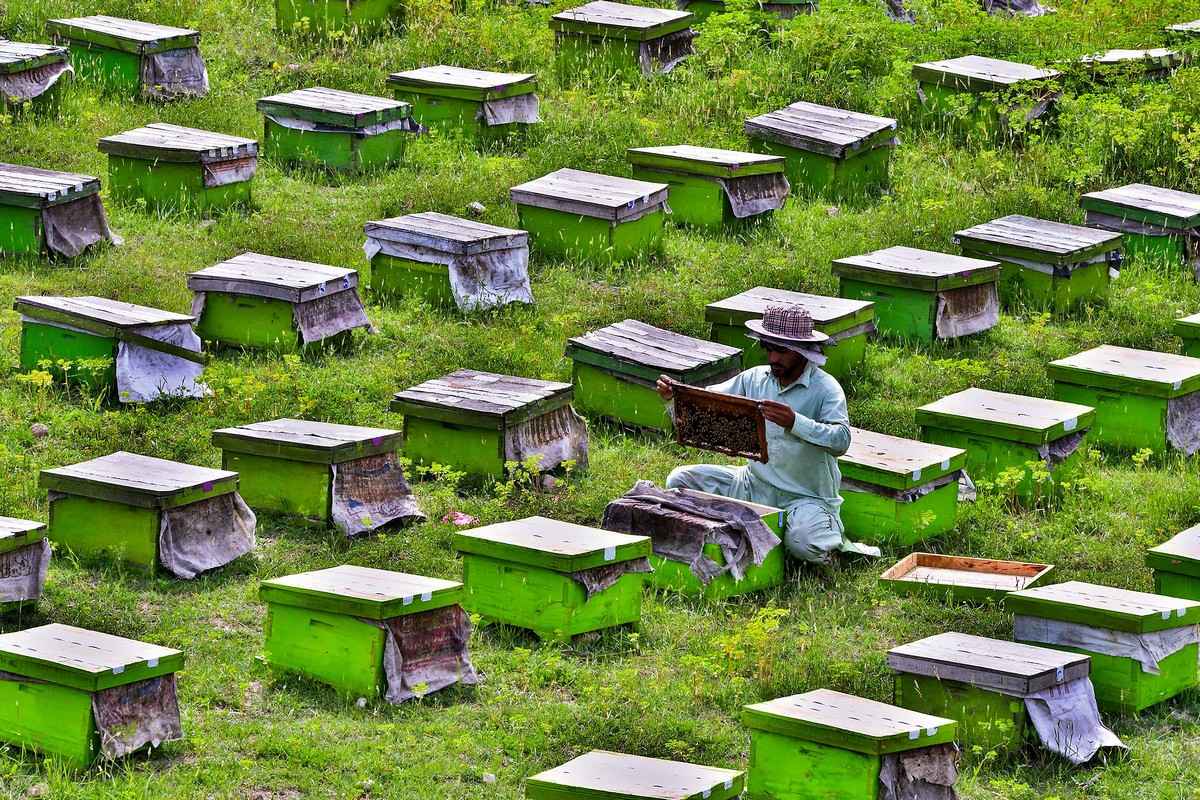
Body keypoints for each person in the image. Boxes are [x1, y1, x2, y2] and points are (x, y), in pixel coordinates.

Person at [656, 304, 880, 564]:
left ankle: (824, 541)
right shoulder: (753, 379)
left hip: (804, 497)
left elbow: (841, 440)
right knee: (678, 481)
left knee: (804, 545)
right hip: (751, 485)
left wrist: (795, 422)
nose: (773, 357)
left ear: (802, 351)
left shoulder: (826, 389)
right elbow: (707, 401)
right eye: (768, 348)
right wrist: (675, 397)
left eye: (782, 351)